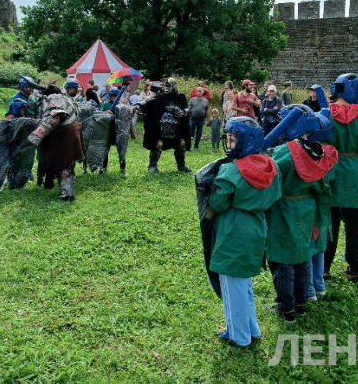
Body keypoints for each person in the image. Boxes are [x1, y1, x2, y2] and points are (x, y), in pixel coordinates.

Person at [206, 117, 282, 346]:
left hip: (234, 229)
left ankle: (238, 336)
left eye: (232, 140)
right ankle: (251, 328)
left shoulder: (231, 171)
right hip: (257, 226)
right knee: (244, 284)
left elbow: (218, 203)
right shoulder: (272, 166)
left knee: (232, 286)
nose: (228, 144)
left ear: (246, 142)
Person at [267, 105, 337, 322]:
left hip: (284, 209)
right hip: (307, 208)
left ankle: (285, 307)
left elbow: (270, 180)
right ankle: (302, 301)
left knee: (284, 258)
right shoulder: (318, 151)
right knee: (304, 254)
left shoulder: (284, 153)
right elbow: (324, 185)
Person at [323, 74, 358, 282]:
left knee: (330, 220)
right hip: (354, 170)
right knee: (355, 221)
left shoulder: (325, 112)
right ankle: (354, 267)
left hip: (330, 169)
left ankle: (325, 267)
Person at [28, 84, 85, 200]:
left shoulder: (53, 98)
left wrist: (37, 135)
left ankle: (66, 193)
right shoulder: (68, 98)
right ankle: (67, 192)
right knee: (68, 164)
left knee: (62, 164)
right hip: (74, 130)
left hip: (63, 133)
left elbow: (56, 116)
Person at [139, 78, 192, 173]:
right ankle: (152, 165)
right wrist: (138, 105)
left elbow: (187, 109)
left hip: (177, 126)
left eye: (169, 85)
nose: (166, 87)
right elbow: (149, 102)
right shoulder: (160, 98)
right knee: (158, 143)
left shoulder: (180, 97)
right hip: (162, 126)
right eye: (166, 85)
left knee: (181, 143)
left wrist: (183, 112)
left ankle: (181, 165)